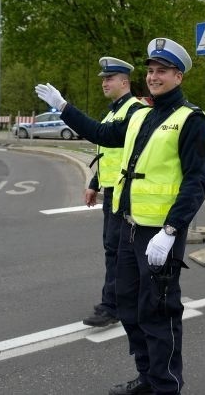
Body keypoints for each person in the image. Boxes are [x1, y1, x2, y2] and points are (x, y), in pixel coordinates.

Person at [35, 37, 205, 395]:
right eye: (150, 71)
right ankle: (147, 378)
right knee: (130, 310)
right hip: (129, 228)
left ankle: (165, 387)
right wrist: (63, 107)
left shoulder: (190, 120)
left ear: (178, 76)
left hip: (159, 235)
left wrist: (172, 230)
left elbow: (196, 182)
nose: (153, 77)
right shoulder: (140, 115)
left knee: (159, 314)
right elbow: (100, 133)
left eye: (162, 71)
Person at [81, 57, 145, 327]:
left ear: (124, 82)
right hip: (112, 192)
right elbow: (111, 154)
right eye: (103, 79)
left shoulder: (134, 111)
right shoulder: (112, 113)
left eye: (109, 78)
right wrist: (95, 183)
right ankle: (124, 301)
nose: (104, 83)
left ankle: (112, 307)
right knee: (116, 250)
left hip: (127, 195)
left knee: (118, 251)